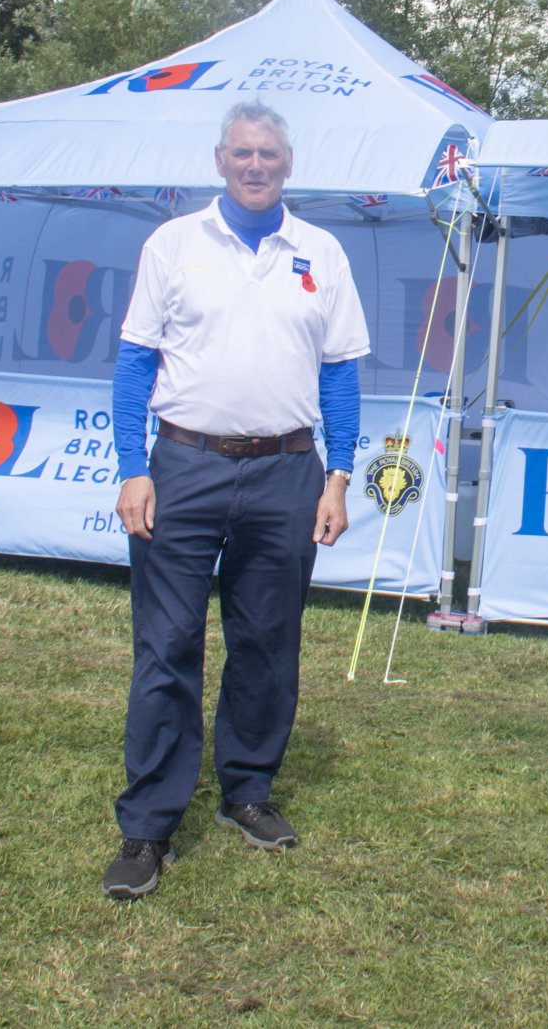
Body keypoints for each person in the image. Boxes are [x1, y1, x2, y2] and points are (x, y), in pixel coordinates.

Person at [100, 101, 368, 900]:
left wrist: (340, 475)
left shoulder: (320, 252)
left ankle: (246, 791)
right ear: (220, 159)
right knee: (167, 646)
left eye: (271, 155)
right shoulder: (173, 244)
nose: (257, 166)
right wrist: (131, 468)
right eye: (244, 153)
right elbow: (132, 363)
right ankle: (148, 825)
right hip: (183, 467)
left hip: (288, 471)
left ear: (289, 164)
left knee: (266, 641)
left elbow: (341, 374)